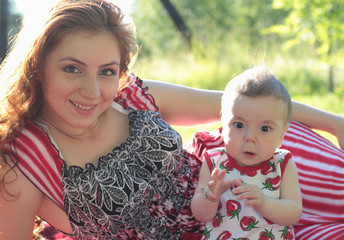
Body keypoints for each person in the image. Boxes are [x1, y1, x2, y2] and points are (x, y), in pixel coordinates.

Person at [0, 0, 343, 239]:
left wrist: (335, 123)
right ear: (38, 65)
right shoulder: (22, 158)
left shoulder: (130, 95)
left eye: (107, 71)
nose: (92, 91)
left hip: (251, 173)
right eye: (72, 68)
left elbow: (244, 104)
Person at [191, 66, 302, 239]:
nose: (250, 137)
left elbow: (293, 212)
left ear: (281, 135)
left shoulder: (282, 164)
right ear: (223, 125)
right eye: (239, 125)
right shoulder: (214, 162)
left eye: (265, 128)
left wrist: (265, 203)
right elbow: (201, 215)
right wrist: (209, 197)